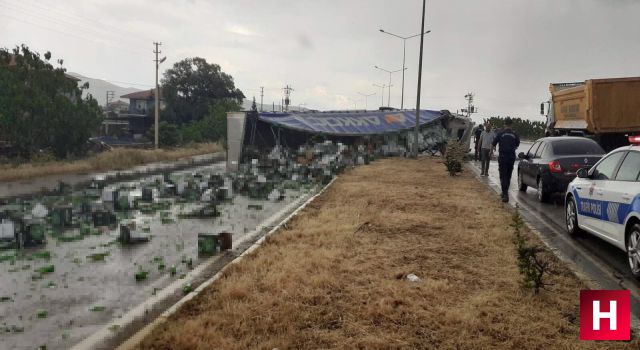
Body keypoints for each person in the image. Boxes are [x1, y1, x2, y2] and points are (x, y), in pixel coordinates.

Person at [492, 118, 520, 202]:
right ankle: (505, 192)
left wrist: (493, 150)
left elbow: (493, 144)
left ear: (505, 124)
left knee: (503, 175)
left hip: (503, 157)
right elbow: (517, 144)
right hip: (511, 157)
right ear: (511, 125)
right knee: (508, 175)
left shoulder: (501, 133)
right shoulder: (515, 134)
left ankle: (505, 194)